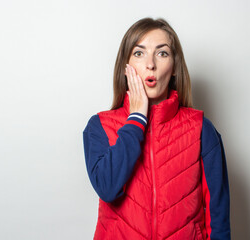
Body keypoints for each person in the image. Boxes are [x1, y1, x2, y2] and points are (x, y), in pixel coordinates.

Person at [83, 17, 231, 240]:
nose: (150, 64)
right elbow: (107, 187)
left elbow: (218, 218)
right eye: (139, 53)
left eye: (162, 53)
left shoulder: (201, 129)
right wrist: (135, 119)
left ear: (174, 68)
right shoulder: (100, 127)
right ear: (126, 66)